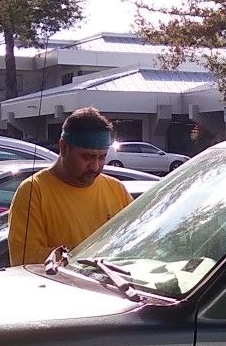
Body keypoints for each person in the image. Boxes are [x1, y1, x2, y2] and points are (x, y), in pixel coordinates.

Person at [7, 109, 132, 266]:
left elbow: (137, 243)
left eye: (102, 157)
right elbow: (24, 260)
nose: (95, 166)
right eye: (87, 157)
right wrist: (88, 256)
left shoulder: (117, 190)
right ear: (63, 148)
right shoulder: (33, 192)